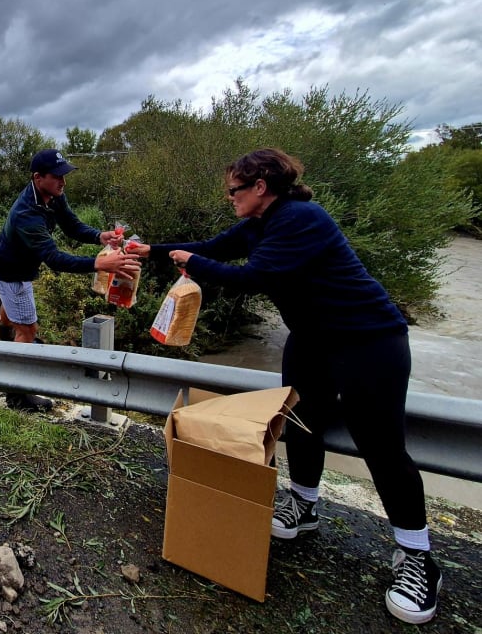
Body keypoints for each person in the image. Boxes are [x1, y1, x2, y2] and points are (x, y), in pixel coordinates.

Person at [129, 148, 441, 625]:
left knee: (379, 444)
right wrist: (148, 251)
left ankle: (417, 557)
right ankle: (305, 506)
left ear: (261, 187)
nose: (229, 198)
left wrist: (193, 262)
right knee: (302, 422)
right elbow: (212, 246)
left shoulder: (300, 218)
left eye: (234, 190)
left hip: (367, 340)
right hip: (311, 340)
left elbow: (255, 277)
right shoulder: (258, 223)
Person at [0, 149, 139, 411]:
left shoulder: (52, 195)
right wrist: (99, 263)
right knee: (28, 330)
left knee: (11, 318)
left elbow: (72, 225)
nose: (63, 181)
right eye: (57, 176)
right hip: (12, 274)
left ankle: (6, 347)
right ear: (38, 178)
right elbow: (55, 259)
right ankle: (17, 396)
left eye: (64, 175)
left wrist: (98, 236)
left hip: (1, 262)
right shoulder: (26, 215)